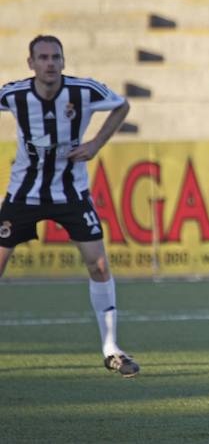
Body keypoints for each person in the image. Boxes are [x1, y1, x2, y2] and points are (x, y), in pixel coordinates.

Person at [0, 35, 137, 376]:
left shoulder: (84, 91)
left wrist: (96, 143)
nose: (49, 63)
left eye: (55, 57)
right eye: (43, 57)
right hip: (23, 194)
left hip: (71, 194)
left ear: (63, 61)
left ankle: (111, 349)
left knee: (99, 265)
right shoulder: (15, 94)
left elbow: (122, 105)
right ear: (30, 63)